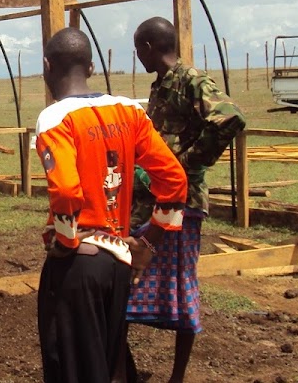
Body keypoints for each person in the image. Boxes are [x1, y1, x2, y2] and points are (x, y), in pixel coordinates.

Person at [34, 27, 188, 383]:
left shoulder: (55, 119)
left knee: (71, 367)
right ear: (90, 67)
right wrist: (150, 241)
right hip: (120, 263)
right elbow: (175, 180)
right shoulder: (129, 111)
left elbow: (68, 191)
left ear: (46, 66)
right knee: (108, 361)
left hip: (79, 265)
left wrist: (66, 240)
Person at [125, 17, 247, 383]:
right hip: (151, 200)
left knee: (181, 286)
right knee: (126, 280)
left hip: (183, 202)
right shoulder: (161, 86)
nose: (138, 57)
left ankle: (177, 377)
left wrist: (186, 162)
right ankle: (124, 370)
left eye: (138, 50)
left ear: (149, 47)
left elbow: (231, 117)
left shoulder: (190, 80)